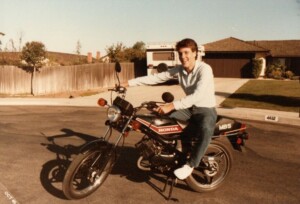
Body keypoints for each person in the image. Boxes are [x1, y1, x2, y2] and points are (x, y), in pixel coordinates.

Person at [127, 38, 217, 180]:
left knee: (206, 128)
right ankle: (169, 152)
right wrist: (130, 82)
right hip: (189, 108)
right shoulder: (180, 70)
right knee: (159, 119)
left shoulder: (204, 69)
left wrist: (172, 105)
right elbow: (157, 77)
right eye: (180, 54)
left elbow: (198, 95)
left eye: (186, 53)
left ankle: (191, 164)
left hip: (205, 108)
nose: (183, 57)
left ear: (195, 53)